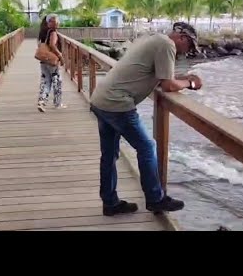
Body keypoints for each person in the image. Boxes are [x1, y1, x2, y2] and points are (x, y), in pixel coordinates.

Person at [89, 22, 203, 216]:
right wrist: (190, 83)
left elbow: (156, 74)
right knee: (147, 148)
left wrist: (181, 78)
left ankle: (110, 203)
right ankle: (155, 199)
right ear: (182, 38)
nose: (189, 51)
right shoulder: (168, 45)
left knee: (109, 155)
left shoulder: (154, 39)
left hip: (101, 99)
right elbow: (167, 85)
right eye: (190, 46)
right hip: (118, 103)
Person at [37, 14, 67, 112]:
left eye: (57, 21)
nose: (57, 23)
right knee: (57, 82)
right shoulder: (53, 32)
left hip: (43, 60)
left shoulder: (42, 32)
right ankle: (58, 103)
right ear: (48, 22)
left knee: (46, 81)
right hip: (51, 61)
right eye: (54, 21)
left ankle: (42, 101)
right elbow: (52, 45)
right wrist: (60, 56)